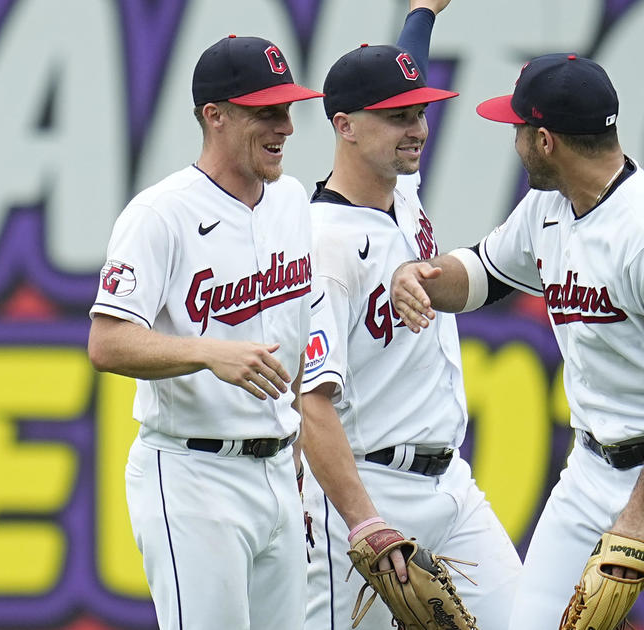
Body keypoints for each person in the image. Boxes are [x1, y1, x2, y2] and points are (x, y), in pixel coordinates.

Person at [389, 53, 644, 629]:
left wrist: (643, 509)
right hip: (592, 466)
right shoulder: (549, 207)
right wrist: (419, 276)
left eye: (516, 128)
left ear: (545, 140)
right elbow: (485, 273)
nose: (512, 140)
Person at [86, 34, 323, 630]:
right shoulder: (160, 213)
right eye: (265, 111)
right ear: (213, 115)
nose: (285, 125)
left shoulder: (292, 200)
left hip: (276, 471)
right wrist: (205, 353)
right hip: (194, 474)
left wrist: (292, 440)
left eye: (287, 108)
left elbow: (288, 333)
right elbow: (107, 342)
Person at [301, 3, 522, 628]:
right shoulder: (322, 246)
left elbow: (403, 74)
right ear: (344, 126)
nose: (416, 128)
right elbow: (311, 405)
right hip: (366, 493)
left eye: (421, 111)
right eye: (398, 117)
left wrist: (421, 12)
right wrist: (365, 522)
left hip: (452, 487)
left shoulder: (400, 192)